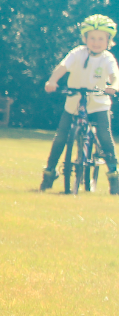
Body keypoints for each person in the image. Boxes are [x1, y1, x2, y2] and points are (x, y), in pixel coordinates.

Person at [40, 14, 119, 194]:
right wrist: (52, 80)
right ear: (85, 39)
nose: (96, 42)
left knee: (105, 136)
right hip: (74, 102)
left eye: (101, 38)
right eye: (92, 38)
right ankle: (50, 171)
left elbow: (115, 76)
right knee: (61, 137)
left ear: (108, 41)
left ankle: (114, 173)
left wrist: (113, 87)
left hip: (99, 103)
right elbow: (63, 67)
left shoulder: (107, 58)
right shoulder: (77, 53)